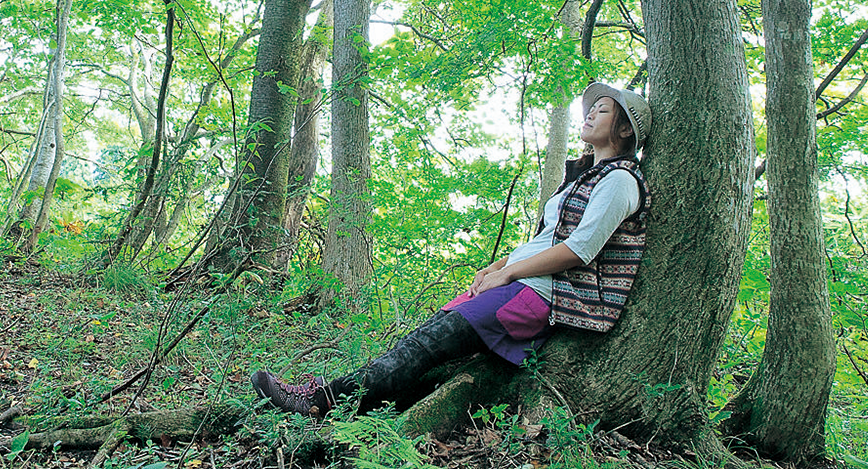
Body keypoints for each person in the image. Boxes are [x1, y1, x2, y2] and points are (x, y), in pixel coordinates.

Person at [250, 82, 651, 417]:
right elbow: (543, 240)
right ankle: (355, 411)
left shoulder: (620, 181)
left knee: (426, 346)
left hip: (546, 296)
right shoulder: (584, 177)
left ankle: (319, 401)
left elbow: (581, 249)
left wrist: (509, 273)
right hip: (524, 283)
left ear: (626, 130)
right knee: (424, 343)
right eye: (591, 108)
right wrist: (495, 267)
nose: (589, 114)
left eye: (601, 110)